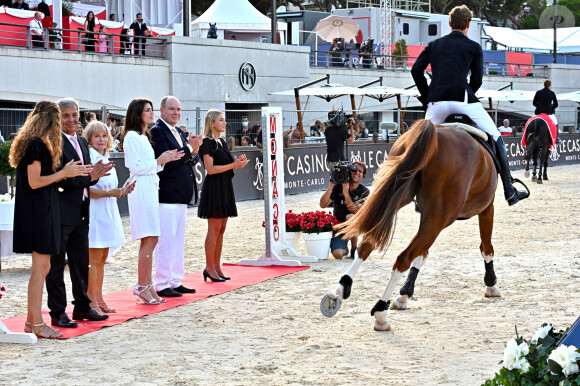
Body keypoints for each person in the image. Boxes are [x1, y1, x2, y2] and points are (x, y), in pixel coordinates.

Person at [411, 5, 528, 206]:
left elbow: (416, 70)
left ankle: (414, 192)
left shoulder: (434, 45)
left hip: (437, 103)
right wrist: (469, 92)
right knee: (496, 136)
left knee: (419, 143)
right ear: (468, 25)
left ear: (449, 23)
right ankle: (509, 190)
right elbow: (478, 79)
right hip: (464, 101)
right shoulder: (474, 47)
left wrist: (427, 94)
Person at [10, 101, 90, 339]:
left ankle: (31, 321)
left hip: (42, 210)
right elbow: (35, 181)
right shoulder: (36, 145)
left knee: (42, 267)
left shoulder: (35, 143)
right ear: (50, 119)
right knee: (41, 269)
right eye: (59, 118)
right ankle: (35, 323)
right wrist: (63, 173)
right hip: (38, 213)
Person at [46, 97, 114, 329]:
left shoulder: (83, 143)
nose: (71, 119)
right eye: (65, 115)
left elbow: (84, 176)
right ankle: (57, 312)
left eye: (75, 115)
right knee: (56, 265)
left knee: (80, 262)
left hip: (82, 211)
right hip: (61, 211)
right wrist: (91, 177)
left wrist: (91, 176)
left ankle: (82, 306)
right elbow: (63, 177)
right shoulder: (52, 141)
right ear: (57, 117)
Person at [120, 98, 183, 304]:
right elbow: (135, 165)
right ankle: (142, 285)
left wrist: (161, 162)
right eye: (147, 110)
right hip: (141, 189)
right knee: (148, 238)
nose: (151, 113)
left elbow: (150, 165)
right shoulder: (131, 136)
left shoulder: (142, 136)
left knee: (153, 238)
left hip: (150, 186)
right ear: (138, 113)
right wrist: (159, 161)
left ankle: (146, 285)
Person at [150, 96, 201, 298]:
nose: (176, 113)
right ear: (161, 111)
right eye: (172, 109)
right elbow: (168, 161)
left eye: (179, 109)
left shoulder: (179, 131)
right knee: (165, 241)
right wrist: (190, 148)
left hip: (181, 194)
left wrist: (193, 149)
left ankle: (175, 280)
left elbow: (190, 158)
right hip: (167, 194)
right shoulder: (157, 131)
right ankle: (162, 283)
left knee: (178, 241)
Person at [85, 121, 135, 315]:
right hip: (95, 212)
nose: (101, 139)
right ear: (89, 138)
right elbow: (87, 190)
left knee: (102, 257)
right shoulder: (89, 158)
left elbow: (110, 189)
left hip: (108, 210)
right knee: (94, 258)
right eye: (96, 136)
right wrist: (111, 193)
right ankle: (91, 300)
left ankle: (99, 297)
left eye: (104, 136)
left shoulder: (107, 157)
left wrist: (122, 191)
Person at [198, 109, 249, 282]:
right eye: (221, 120)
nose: (225, 123)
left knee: (221, 230)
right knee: (213, 229)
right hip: (214, 188)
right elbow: (210, 170)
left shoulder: (221, 142)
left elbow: (227, 166)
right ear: (212, 123)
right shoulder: (207, 142)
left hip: (225, 187)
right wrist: (233, 165)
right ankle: (209, 267)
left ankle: (216, 267)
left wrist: (237, 164)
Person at [320, 161, 369, 259]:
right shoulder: (338, 187)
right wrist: (331, 186)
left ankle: (354, 248)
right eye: (354, 170)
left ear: (363, 175)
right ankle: (344, 249)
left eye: (360, 171)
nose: (356, 173)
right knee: (338, 254)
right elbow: (323, 204)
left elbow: (354, 211)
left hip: (354, 225)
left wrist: (346, 194)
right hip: (339, 226)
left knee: (350, 216)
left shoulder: (364, 191)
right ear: (349, 172)